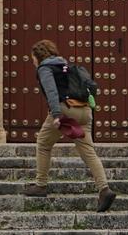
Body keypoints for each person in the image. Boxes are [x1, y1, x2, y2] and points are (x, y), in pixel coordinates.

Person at [24, 39, 117, 213]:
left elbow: (51, 91)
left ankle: (40, 185)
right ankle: (104, 189)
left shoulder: (45, 68)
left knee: (43, 144)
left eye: (33, 57)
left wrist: (57, 114)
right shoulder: (65, 65)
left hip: (64, 110)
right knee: (88, 151)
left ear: (38, 56)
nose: (33, 61)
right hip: (84, 111)